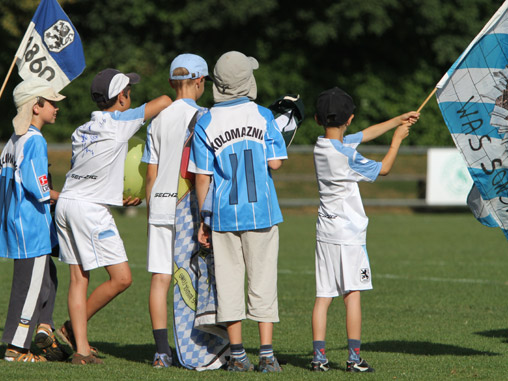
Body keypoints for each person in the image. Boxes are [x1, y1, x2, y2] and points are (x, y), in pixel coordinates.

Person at [54, 68, 172, 365]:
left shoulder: (80, 130)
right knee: (121, 278)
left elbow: (86, 173)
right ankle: (69, 331)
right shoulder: (120, 121)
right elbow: (166, 101)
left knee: (78, 279)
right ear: (121, 97)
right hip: (89, 211)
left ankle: (80, 349)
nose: (130, 96)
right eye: (128, 91)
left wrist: (113, 196)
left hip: (67, 204)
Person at [190, 51, 287, 373]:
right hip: (261, 212)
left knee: (229, 283)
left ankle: (238, 355)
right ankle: (268, 355)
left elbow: (202, 177)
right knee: (263, 281)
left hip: (223, 214)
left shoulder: (206, 120)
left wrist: (204, 219)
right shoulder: (263, 115)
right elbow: (274, 162)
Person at [310, 87, 419, 373]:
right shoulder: (346, 155)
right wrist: (396, 141)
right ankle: (353, 358)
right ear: (350, 118)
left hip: (325, 230)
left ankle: (319, 358)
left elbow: (364, 135)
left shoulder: (322, 145)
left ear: (318, 119)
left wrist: (398, 119)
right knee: (352, 295)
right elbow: (383, 169)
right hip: (348, 233)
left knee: (323, 296)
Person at [141, 53, 208, 368]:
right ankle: (193, 347)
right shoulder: (205, 116)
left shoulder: (157, 120)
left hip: (160, 206)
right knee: (192, 277)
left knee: (160, 279)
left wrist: (150, 209)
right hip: (189, 209)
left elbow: (150, 176)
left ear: (171, 82)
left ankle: (161, 352)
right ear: (199, 81)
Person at [0, 78, 69, 362]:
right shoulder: (34, 141)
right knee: (28, 286)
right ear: (36, 105)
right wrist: (67, 197)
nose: (56, 108)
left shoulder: (13, 141)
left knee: (47, 279)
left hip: (16, 226)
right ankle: (17, 349)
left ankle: (43, 329)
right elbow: (38, 189)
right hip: (30, 228)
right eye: (52, 103)